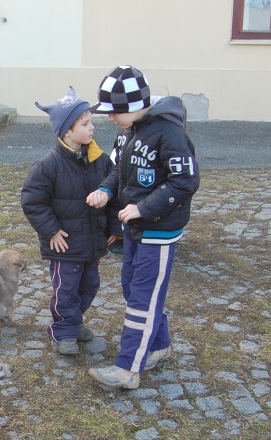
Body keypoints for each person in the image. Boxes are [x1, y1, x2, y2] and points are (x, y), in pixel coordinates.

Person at [85, 66, 200, 389]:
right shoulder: (127, 131)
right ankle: (159, 345)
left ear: (136, 106)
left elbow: (185, 181)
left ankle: (128, 369)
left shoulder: (171, 135)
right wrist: (107, 190)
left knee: (142, 298)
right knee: (134, 289)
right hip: (133, 227)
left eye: (114, 112)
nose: (109, 118)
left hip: (158, 231)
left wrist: (145, 208)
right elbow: (118, 170)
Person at [21, 87, 114, 356]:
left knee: (90, 285)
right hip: (65, 245)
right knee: (67, 289)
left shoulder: (101, 160)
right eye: (85, 123)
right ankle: (63, 330)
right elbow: (32, 201)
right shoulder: (47, 166)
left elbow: (114, 194)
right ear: (67, 131)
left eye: (91, 121)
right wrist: (51, 230)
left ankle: (74, 321)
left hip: (93, 241)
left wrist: (114, 228)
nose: (92, 127)